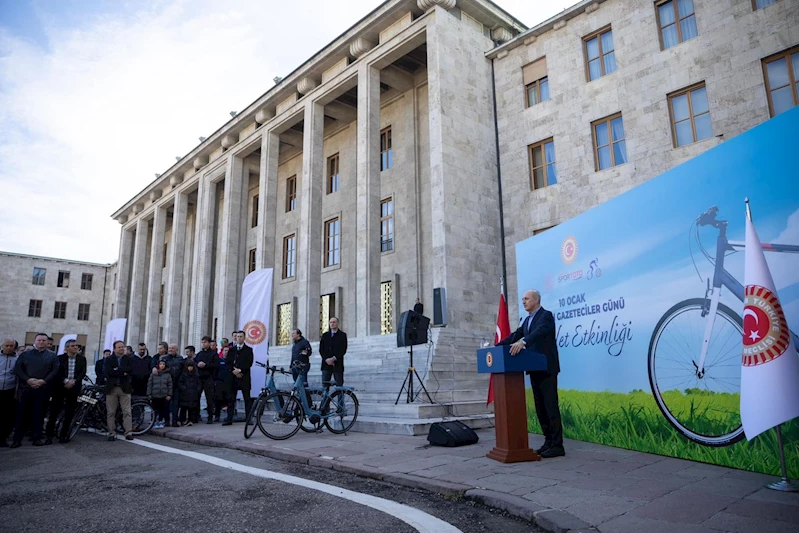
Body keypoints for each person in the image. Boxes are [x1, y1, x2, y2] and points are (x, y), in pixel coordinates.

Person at [498, 289, 563, 458]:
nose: (524, 302)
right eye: (522, 299)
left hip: (547, 369)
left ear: (536, 300)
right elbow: (515, 335)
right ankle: (548, 441)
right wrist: (496, 347)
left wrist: (524, 342)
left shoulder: (546, 316)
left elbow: (539, 332)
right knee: (540, 408)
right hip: (534, 369)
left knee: (550, 407)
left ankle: (557, 445)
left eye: (526, 299)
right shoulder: (527, 320)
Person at [11, 333, 60, 447]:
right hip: (26, 389)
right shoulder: (25, 354)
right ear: (35, 341)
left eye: (44, 340)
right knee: (21, 415)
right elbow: (18, 369)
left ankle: (36, 438)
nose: (41, 342)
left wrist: (44, 381)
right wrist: (28, 380)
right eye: (39, 340)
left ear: (47, 342)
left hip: (43, 389)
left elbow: (55, 370)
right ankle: (17, 440)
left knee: (39, 415)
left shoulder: (52, 356)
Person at [45, 339, 87, 444]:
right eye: (73, 346)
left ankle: (64, 435)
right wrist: (65, 381)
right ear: (67, 348)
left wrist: (74, 381)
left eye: (76, 345)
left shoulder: (82, 359)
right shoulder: (59, 359)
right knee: (54, 412)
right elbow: (56, 372)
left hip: (74, 388)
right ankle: (49, 436)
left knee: (69, 413)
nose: (75, 347)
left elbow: (82, 373)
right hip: (60, 388)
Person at [105, 340, 134, 441]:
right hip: (112, 388)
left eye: (123, 347)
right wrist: (122, 372)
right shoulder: (108, 359)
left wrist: (117, 370)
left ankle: (128, 432)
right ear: (114, 349)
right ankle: (111, 432)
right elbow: (108, 372)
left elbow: (130, 370)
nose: (122, 349)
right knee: (111, 412)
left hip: (124, 388)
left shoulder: (129, 359)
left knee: (127, 411)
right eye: (119, 347)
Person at [222, 331, 253, 425]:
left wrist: (240, 371)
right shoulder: (232, 350)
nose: (238, 338)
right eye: (237, 336)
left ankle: (248, 418)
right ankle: (229, 419)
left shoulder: (248, 349)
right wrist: (233, 370)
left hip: (244, 377)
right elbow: (227, 363)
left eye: (240, 336)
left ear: (244, 338)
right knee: (231, 399)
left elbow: (249, 363)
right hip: (233, 378)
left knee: (247, 399)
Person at [158, 344, 184, 427]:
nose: (171, 349)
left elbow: (182, 371)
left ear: (176, 349)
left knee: (175, 404)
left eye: (173, 348)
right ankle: (166, 420)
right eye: (169, 348)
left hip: (176, 384)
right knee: (166, 404)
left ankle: (175, 421)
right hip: (166, 384)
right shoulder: (164, 358)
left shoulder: (180, 359)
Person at [195, 336, 219, 424]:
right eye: (202, 342)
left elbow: (216, 365)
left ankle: (210, 416)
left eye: (205, 342)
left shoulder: (213, 354)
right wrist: (198, 364)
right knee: (197, 397)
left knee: (210, 398)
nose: (203, 344)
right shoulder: (200, 354)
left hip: (209, 378)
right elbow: (194, 362)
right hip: (199, 378)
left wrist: (206, 365)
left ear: (209, 343)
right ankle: (197, 416)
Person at [319, 317, 347, 387]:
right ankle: (325, 398)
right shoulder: (325, 335)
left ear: (338, 323)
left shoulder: (342, 335)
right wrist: (326, 359)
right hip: (326, 364)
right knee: (325, 386)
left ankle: (340, 398)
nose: (332, 324)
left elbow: (343, 349)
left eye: (334, 322)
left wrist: (333, 358)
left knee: (339, 386)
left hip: (337, 364)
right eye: (331, 322)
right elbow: (321, 349)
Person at [1, 339, 19, 447]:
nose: (9, 347)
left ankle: (3, 438)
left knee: (7, 416)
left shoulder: (18, 359)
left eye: (11, 345)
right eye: (6, 345)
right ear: (2, 346)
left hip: (10, 390)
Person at [147, 359, 172, 429]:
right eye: (160, 364)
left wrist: (169, 394)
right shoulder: (153, 374)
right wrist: (149, 394)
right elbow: (150, 384)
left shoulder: (167, 375)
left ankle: (160, 421)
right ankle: (154, 421)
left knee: (162, 409)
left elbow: (170, 385)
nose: (162, 366)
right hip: (155, 395)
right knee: (154, 409)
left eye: (163, 364)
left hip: (163, 395)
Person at [178, 361, 201, 426]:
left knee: (191, 409)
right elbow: (180, 383)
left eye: (191, 367)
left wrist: (197, 390)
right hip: (185, 394)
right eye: (189, 367)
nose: (190, 368)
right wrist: (184, 388)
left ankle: (191, 420)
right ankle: (182, 420)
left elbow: (199, 384)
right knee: (183, 408)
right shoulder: (183, 375)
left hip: (193, 394)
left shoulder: (196, 375)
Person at [213, 345, 230, 423]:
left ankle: (229, 416)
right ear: (222, 352)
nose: (226, 352)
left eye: (228, 351)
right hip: (219, 383)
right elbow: (215, 372)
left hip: (229, 383)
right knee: (218, 400)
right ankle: (217, 416)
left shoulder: (231, 361)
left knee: (229, 400)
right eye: (225, 350)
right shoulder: (219, 361)